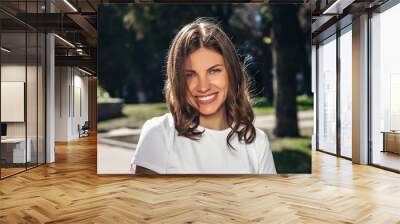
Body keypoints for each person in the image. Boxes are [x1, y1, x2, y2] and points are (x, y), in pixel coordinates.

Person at [131, 18, 276, 174]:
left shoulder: (257, 142)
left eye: (214, 71)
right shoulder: (160, 133)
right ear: (178, 80)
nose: (203, 86)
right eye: (190, 75)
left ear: (231, 73)